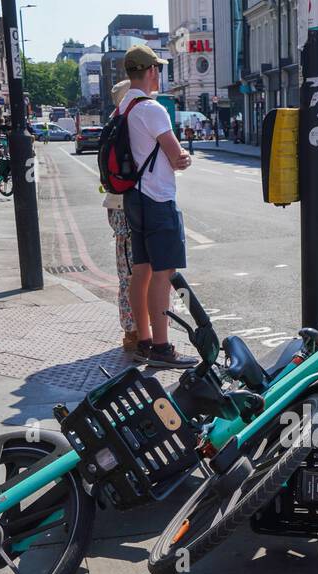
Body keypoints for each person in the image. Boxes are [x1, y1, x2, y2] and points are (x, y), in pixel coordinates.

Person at [120, 44, 196, 368]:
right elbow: (176, 157)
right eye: (158, 70)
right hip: (158, 199)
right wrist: (186, 158)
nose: (158, 76)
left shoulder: (123, 105)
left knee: (141, 271)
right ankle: (163, 349)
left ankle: (144, 340)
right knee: (163, 274)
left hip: (134, 199)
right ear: (151, 71)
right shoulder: (152, 109)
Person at [105, 79, 140, 353]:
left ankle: (136, 330)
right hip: (126, 207)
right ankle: (132, 332)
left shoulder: (115, 122)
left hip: (117, 206)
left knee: (130, 272)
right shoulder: (126, 125)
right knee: (130, 275)